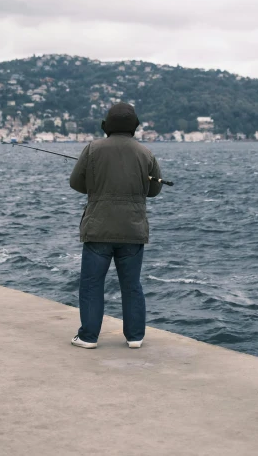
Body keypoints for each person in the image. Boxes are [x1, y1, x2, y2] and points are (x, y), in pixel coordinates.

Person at [69, 102, 163, 349]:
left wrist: (97, 186)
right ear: (135, 127)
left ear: (105, 126)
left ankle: (88, 336)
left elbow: (76, 183)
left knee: (92, 284)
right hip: (132, 229)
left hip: (99, 228)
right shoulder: (145, 153)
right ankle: (135, 336)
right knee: (131, 285)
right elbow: (154, 190)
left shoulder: (92, 149)